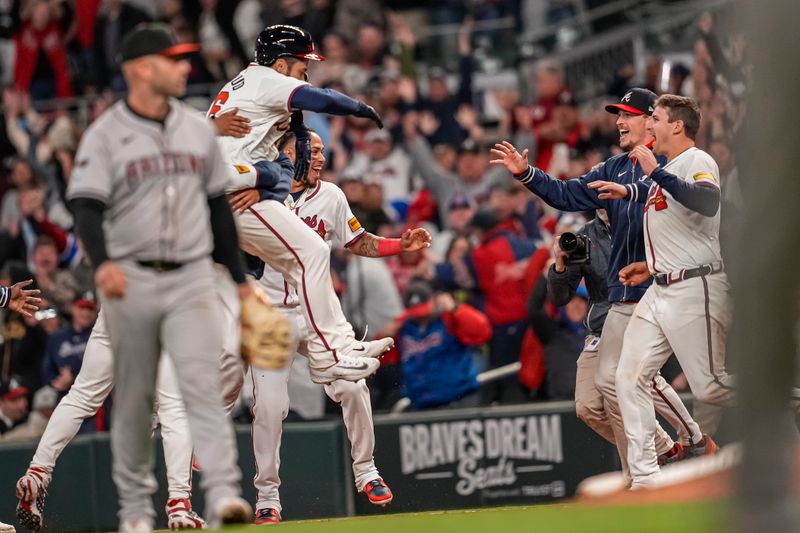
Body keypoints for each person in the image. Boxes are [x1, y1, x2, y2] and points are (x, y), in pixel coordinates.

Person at [15, 107, 257, 533]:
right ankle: (179, 504)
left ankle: (39, 470)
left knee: (82, 396)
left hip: (117, 295)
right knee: (174, 404)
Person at [64, 24, 252, 531]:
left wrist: (238, 280)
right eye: (173, 60)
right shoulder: (106, 133)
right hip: (132, 278)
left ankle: (222, 495)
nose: (185, 67)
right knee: (137, 400)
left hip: (192, 276)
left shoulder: (196, 128)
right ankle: (133, 512)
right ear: (141, 70)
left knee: (201, 388)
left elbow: (218, 209)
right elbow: (84, 206)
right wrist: (102, 262)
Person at [489, 88, 710, 486]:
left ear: (652, 120)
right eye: (617, 115)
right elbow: (567, 194)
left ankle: (675, 451)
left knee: (672, 379)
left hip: (670, 285)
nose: (619, 122)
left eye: (629, 115)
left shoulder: (672, 163)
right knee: (614, 383)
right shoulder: (614, 166)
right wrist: (527, 174)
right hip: (627, 292)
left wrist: (640, 188)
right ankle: (658, 462)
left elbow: (687, 205)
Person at [235, 130, 430, 523]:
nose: (321, 157)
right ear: (286, 153)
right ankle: (267, 497)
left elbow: (357, 241)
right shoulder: (257, 190)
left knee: (353, 384)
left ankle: (366, 470)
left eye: (324, 150)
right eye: (314, 149)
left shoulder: (332, 195)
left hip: (318, 309)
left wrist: (398, 245)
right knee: (270, 407)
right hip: (270, 313)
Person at [209, 24, 394, 384]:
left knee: (306, 258)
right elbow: (321, 98)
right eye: (301, 63)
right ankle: (329, 357)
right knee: (311, 252)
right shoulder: (266, 80)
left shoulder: (248, 86)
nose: (305, 70)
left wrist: (267, 188)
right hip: (228, 196)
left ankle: (339, 345)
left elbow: (287, 151)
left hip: (231, 191)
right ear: (280, 64)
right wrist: (360, 108)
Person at [589, 94, 734, 488]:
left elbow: (706, 201)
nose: (648, 123)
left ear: (677, 126)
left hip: (695, 284)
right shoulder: (666, 169)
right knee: (627, 377)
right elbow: (671, 210)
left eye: (655, 117)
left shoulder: (697, 160)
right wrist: (649, 263)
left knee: (711, 386)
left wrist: (654, 174)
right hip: (660, 286)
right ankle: (645, 478)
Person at [545, 211, 697, 462]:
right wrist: (559, 266)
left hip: (642, 317)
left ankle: (688, 442)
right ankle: (663, 449)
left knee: (638, 380)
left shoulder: (642, 225)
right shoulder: (585, 237)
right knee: (587, 407)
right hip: (601, 329)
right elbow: (560, 298)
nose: (605, 202)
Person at [392, 279, 490, 410]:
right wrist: (386, 336)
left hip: (460, 398)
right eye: (416, 313)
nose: (422, 317)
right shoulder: (403, 328)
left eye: (424, 311)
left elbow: (482, 332)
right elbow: (385, 361)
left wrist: (455, 309)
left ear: (433, 301)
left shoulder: (448, 318)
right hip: (422, 404)